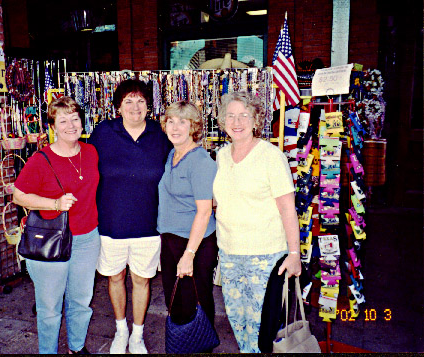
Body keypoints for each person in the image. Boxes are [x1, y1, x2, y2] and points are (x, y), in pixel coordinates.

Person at [212, 92, 302, 353]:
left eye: (244, 115)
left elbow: (288, 209)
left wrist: (294, 254)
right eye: (231, 115)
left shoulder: (271, 156)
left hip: (264, 256)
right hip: (230, 254)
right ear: (223, 120)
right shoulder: (222, 156)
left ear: (256, 120)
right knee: (238, 323)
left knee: (262, 329)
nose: (236, 121)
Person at [89, 79, 172, 354]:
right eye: (128, 101)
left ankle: (137, 334)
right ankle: (121, 329)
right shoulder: (103, 132)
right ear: (118, 107)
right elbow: (85, 167)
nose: (135, 107)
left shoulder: (160, 135)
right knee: (114, 278)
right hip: (110, 223)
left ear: (148, 106)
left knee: (141, 280)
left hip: (148, 223)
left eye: (141, 101)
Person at [13, 97, 100, 354]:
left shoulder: (91, 152)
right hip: (50, 241)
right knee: (50, 307)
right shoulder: (41, 160)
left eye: (74, 118)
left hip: (86, 238)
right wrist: (54, 203)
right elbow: (18, 196)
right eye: (63, 120)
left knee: (81, 301)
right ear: (53, 126)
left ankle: (77, 347)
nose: (71, 125)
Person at [157, 101, 218, 333]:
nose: (175, 127)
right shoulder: (173, 153)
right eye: (171, 121)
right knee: (176, 304)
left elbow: (204, 212)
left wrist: (188, 255)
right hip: (171, 239)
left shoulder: (200, 162)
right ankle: (182, 344)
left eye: (183, 122)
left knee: (195, 303)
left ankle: (200, 347)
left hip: (195, 243)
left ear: (194, 126)